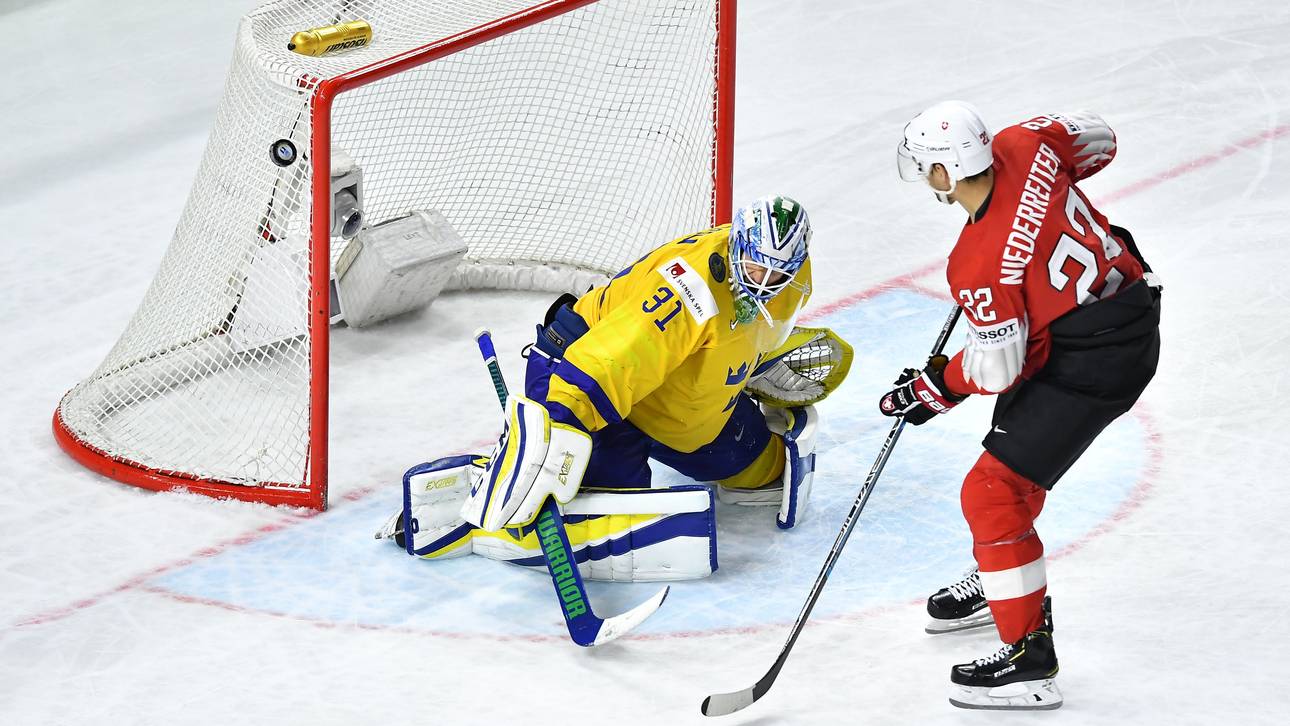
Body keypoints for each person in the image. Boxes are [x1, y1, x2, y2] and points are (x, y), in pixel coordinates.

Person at [380, 196, 853, 582]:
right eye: (754, 267)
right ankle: (479, 502)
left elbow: (741, 329)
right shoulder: (687, 290)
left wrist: (748, 365)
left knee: (765, 473)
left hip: (671, 400)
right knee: (598, 517)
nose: (764, 282)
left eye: (777, 273)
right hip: (584, 382)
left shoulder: (793, 278)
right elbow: (614, 359)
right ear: (737, 245)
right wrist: (559, 426)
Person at [880, 101, 1161, 710]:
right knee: (1012, 439)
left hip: (1096, 362)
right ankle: (1004, 578)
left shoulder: (978, 263)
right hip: (1115, 310)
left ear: (943, 174)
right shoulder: (1025, 143)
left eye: (926, 167)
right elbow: (1099, 139)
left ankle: (1028, 663)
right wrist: (1045, 217)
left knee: (992, 492)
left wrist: (937, 385)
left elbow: (996, 366)